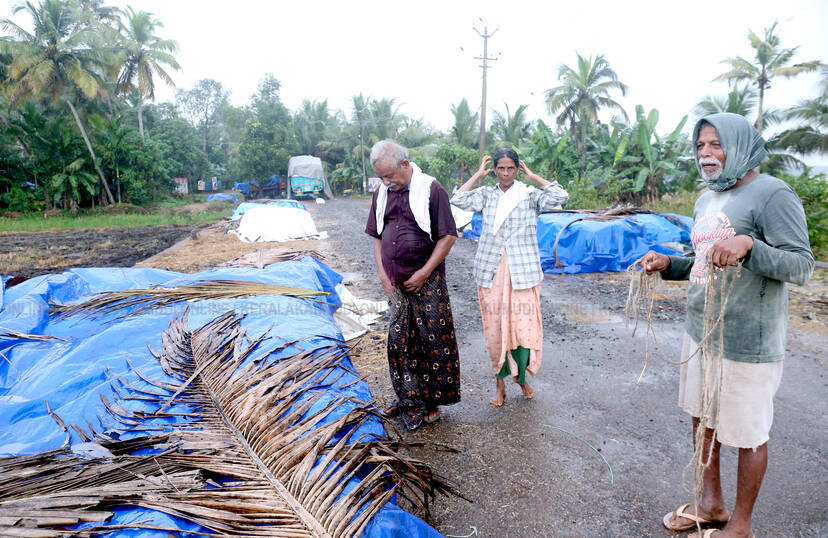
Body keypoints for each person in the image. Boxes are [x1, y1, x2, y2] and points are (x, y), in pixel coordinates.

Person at [640, 113, 814, 538]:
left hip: (747, 340)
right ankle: (711, 505)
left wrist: (750, 245)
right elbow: (704, 261)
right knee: (703, 419)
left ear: (738, 144)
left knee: (748, 433)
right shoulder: (707, 198)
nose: (705, 154)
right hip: (701, 333)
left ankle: (741, 526)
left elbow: (802, 265)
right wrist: (669, 264)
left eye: (715, 144)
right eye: (700, 146)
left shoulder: (772, 194)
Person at [450, 148, 569, 406]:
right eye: (500, 168)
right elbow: (457, 199)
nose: (505, 173)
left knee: (523, 329)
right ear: (494, 170)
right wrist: (477, 175)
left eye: (510, 168)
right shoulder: (485, 195)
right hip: (491, 271)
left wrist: (533, 176)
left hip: (523, 272)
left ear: (517, 169)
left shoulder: (529, 196)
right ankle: (500, 385)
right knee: (496, 331)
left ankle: (521, 379)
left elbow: (561, 195)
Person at [364, 140, 460, 431]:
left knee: (432, 342)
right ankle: (407, 399)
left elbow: (448, 236)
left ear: (405, 165)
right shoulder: (382, 193)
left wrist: (424, 272)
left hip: (427, 281)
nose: (385, 182)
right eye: (381, 177)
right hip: (396, 283)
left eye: (389, 175)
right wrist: (383, 276)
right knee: (400, 342)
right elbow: (377, 236)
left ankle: (430, 403)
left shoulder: (432, 189)